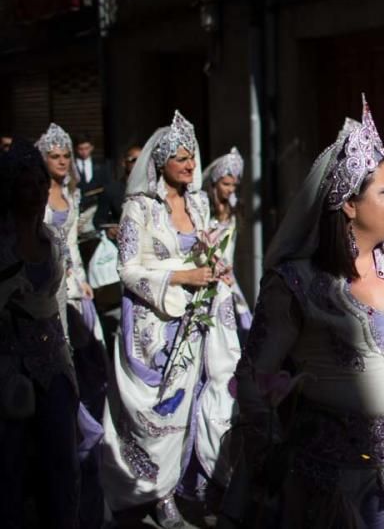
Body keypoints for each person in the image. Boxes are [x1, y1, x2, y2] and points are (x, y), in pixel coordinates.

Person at [234, 101, 384, 527]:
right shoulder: (295, 284)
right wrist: (269, 453)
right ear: (348, 204)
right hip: (335, 487)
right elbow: (253, 378)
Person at [101, 111, 241, 528]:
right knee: (157, 413)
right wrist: (183, 275)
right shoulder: (138, 208)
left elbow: (204, 251)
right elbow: (127, 270)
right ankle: (147, 492)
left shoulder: (199, 203)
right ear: (160, 161)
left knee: (188, 407)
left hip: (195, 321)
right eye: (180, 158)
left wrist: (217, 268)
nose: (189, 165)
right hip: (153, 326)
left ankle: (173, 492)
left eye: (192, 158)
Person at [0, 138, 80, 528]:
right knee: (11, 467)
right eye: (25, 183)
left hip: (52, 366)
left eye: (40, 182)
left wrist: (70, 365)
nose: (35, 191)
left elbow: (57, 304)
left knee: (62, 462)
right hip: (8, 370)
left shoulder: (51, 240)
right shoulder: (1, 243)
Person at [36, 122, 107, 528]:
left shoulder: (72, 194)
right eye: (56, 156)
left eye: (66, 156)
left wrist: (80, 280)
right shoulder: (35, 198)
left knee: (87, 359)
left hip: (74, 290)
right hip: (48, 288)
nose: (63, 162)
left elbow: (73, 247)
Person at [201, 147, 251, 336]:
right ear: (215, 182)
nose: (230, 189)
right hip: (208, 269)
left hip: (227, 272)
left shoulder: (235, 208)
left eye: (233, 185)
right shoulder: (205, 209)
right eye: (226, 184)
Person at [95, 145, 143, 243]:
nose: (138, 164)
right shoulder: (112, 190)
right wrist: (109, 230)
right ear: (124, 162)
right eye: (134, 160)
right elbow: (98, 221)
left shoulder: (153, 190)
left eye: (142, 160)